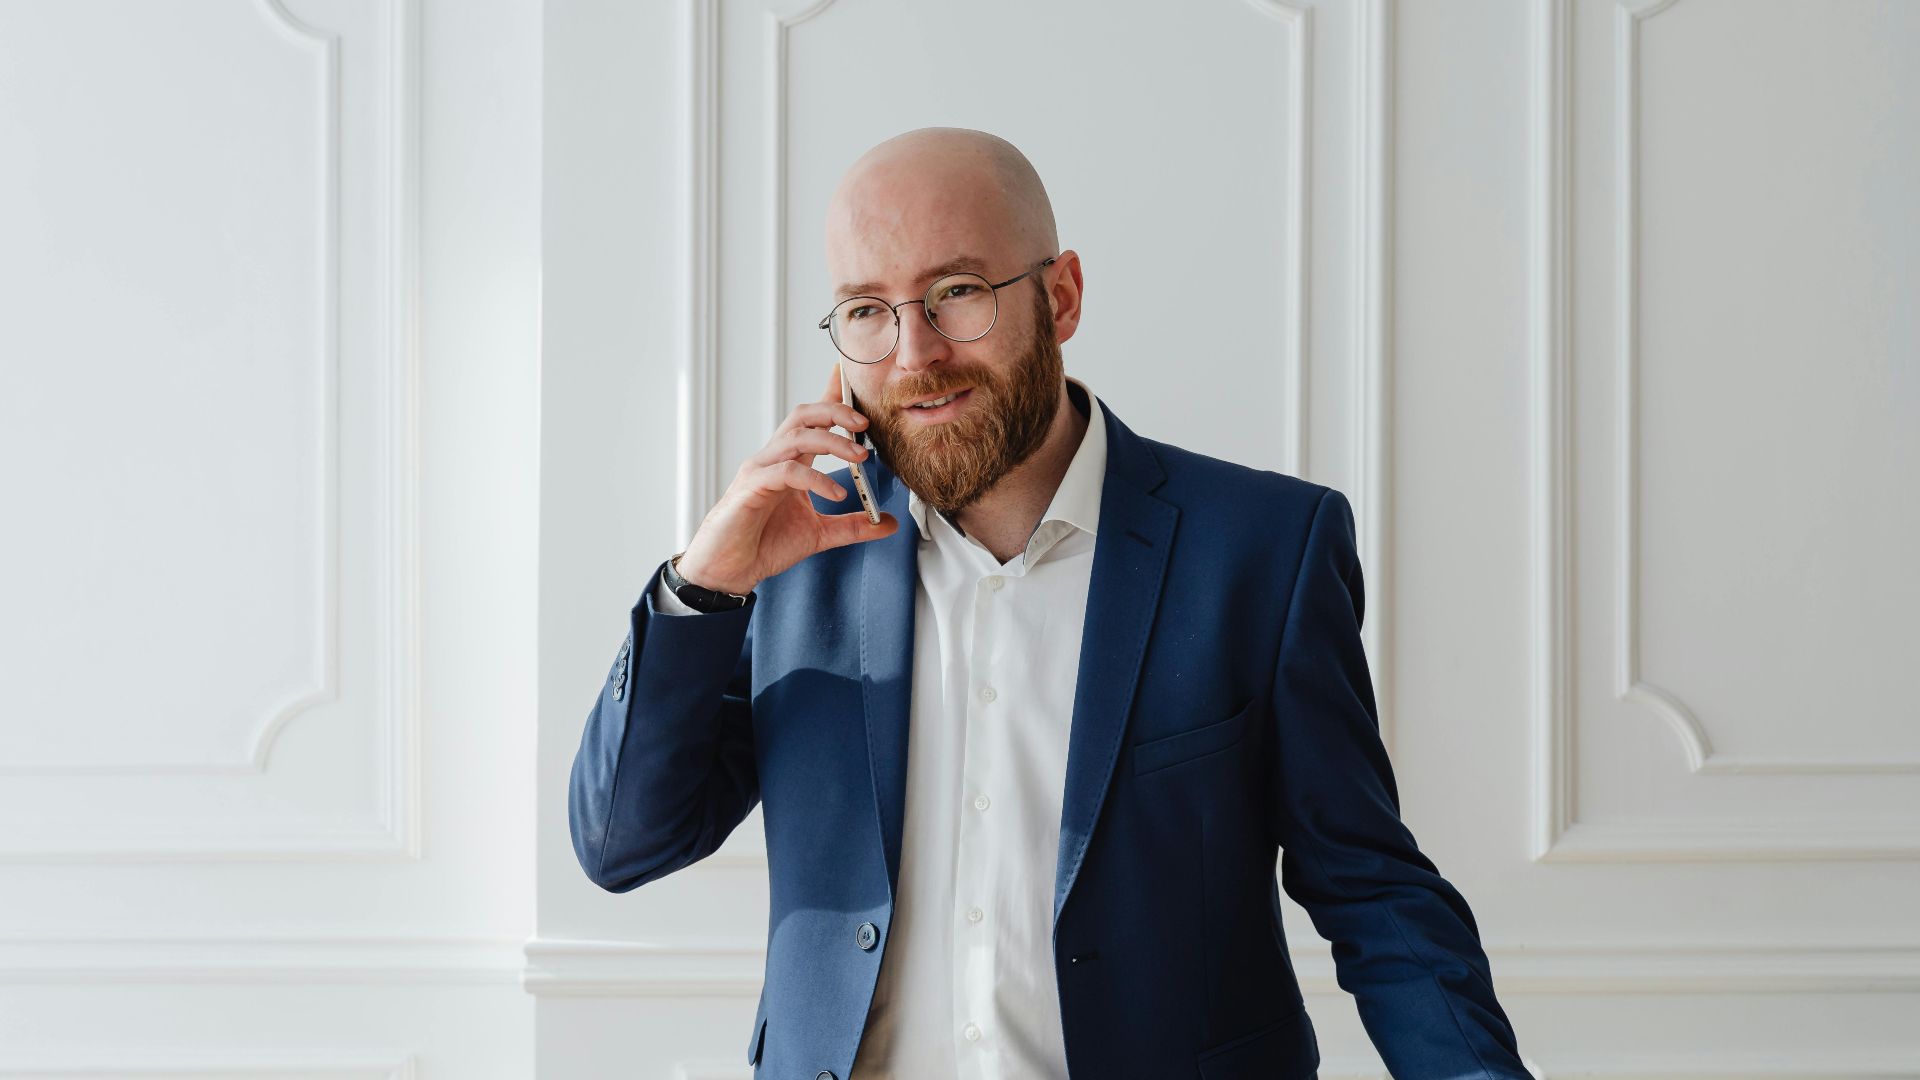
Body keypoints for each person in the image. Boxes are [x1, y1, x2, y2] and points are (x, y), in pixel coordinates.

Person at [568, 127, 1528, 1080]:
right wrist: (702, 585)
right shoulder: (788, 563)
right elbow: (622, 844)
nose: (913, 355)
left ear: (1060, 296)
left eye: (957, 294)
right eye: (867, 309)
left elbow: (1371, 891)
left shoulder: (1261, 550)